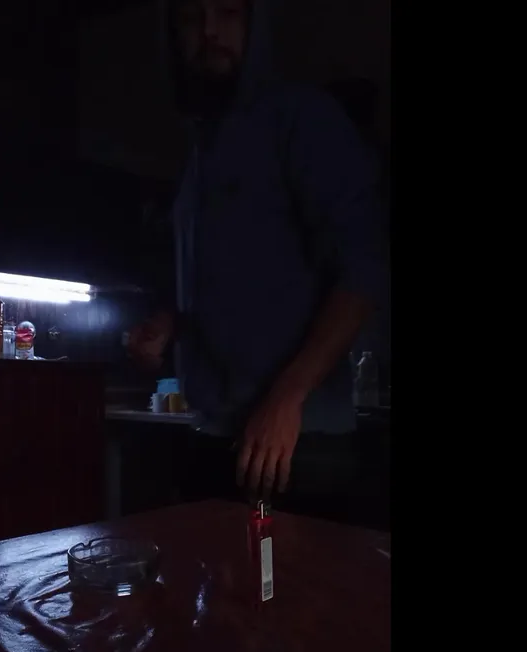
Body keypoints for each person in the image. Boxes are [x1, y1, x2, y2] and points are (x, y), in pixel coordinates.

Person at [128, 0, 387, 527]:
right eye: (191, 18)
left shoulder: (303, 118)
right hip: (214, 435)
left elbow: (365, 267)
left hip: (294, 442)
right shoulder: (201, 151)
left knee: (293, 583)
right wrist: (172, 325)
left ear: (255, 24)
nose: (209, 31)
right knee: (211, 580)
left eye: (227, 13)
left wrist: (288, 397)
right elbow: (232, 283)